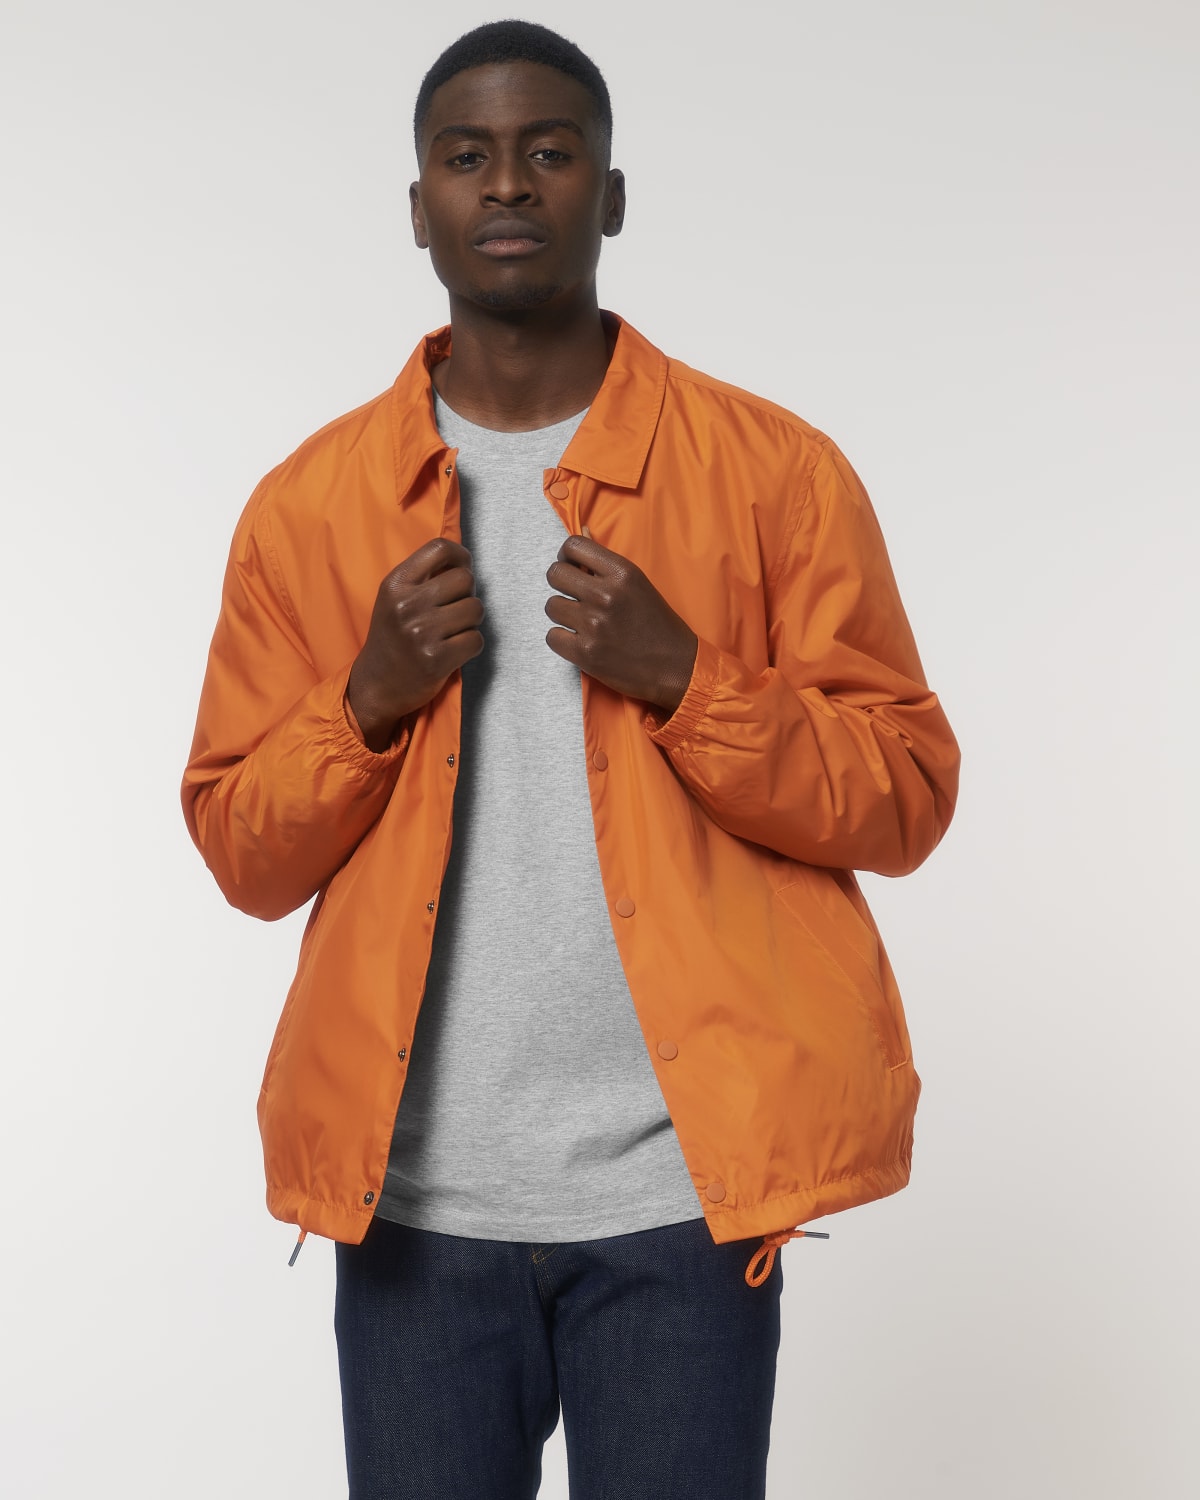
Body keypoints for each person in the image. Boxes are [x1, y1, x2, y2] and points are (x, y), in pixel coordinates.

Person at [182, 19, 960, 1499]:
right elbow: (241, 851)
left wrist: (692, 683)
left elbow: (907, 792)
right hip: (414, 1210)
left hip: (682, 1205)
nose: (507, 184)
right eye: (465, 156)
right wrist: (366, 699)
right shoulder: (308, 507)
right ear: (418, 207)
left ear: (610, 194)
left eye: (549, 151)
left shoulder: (776, 474)